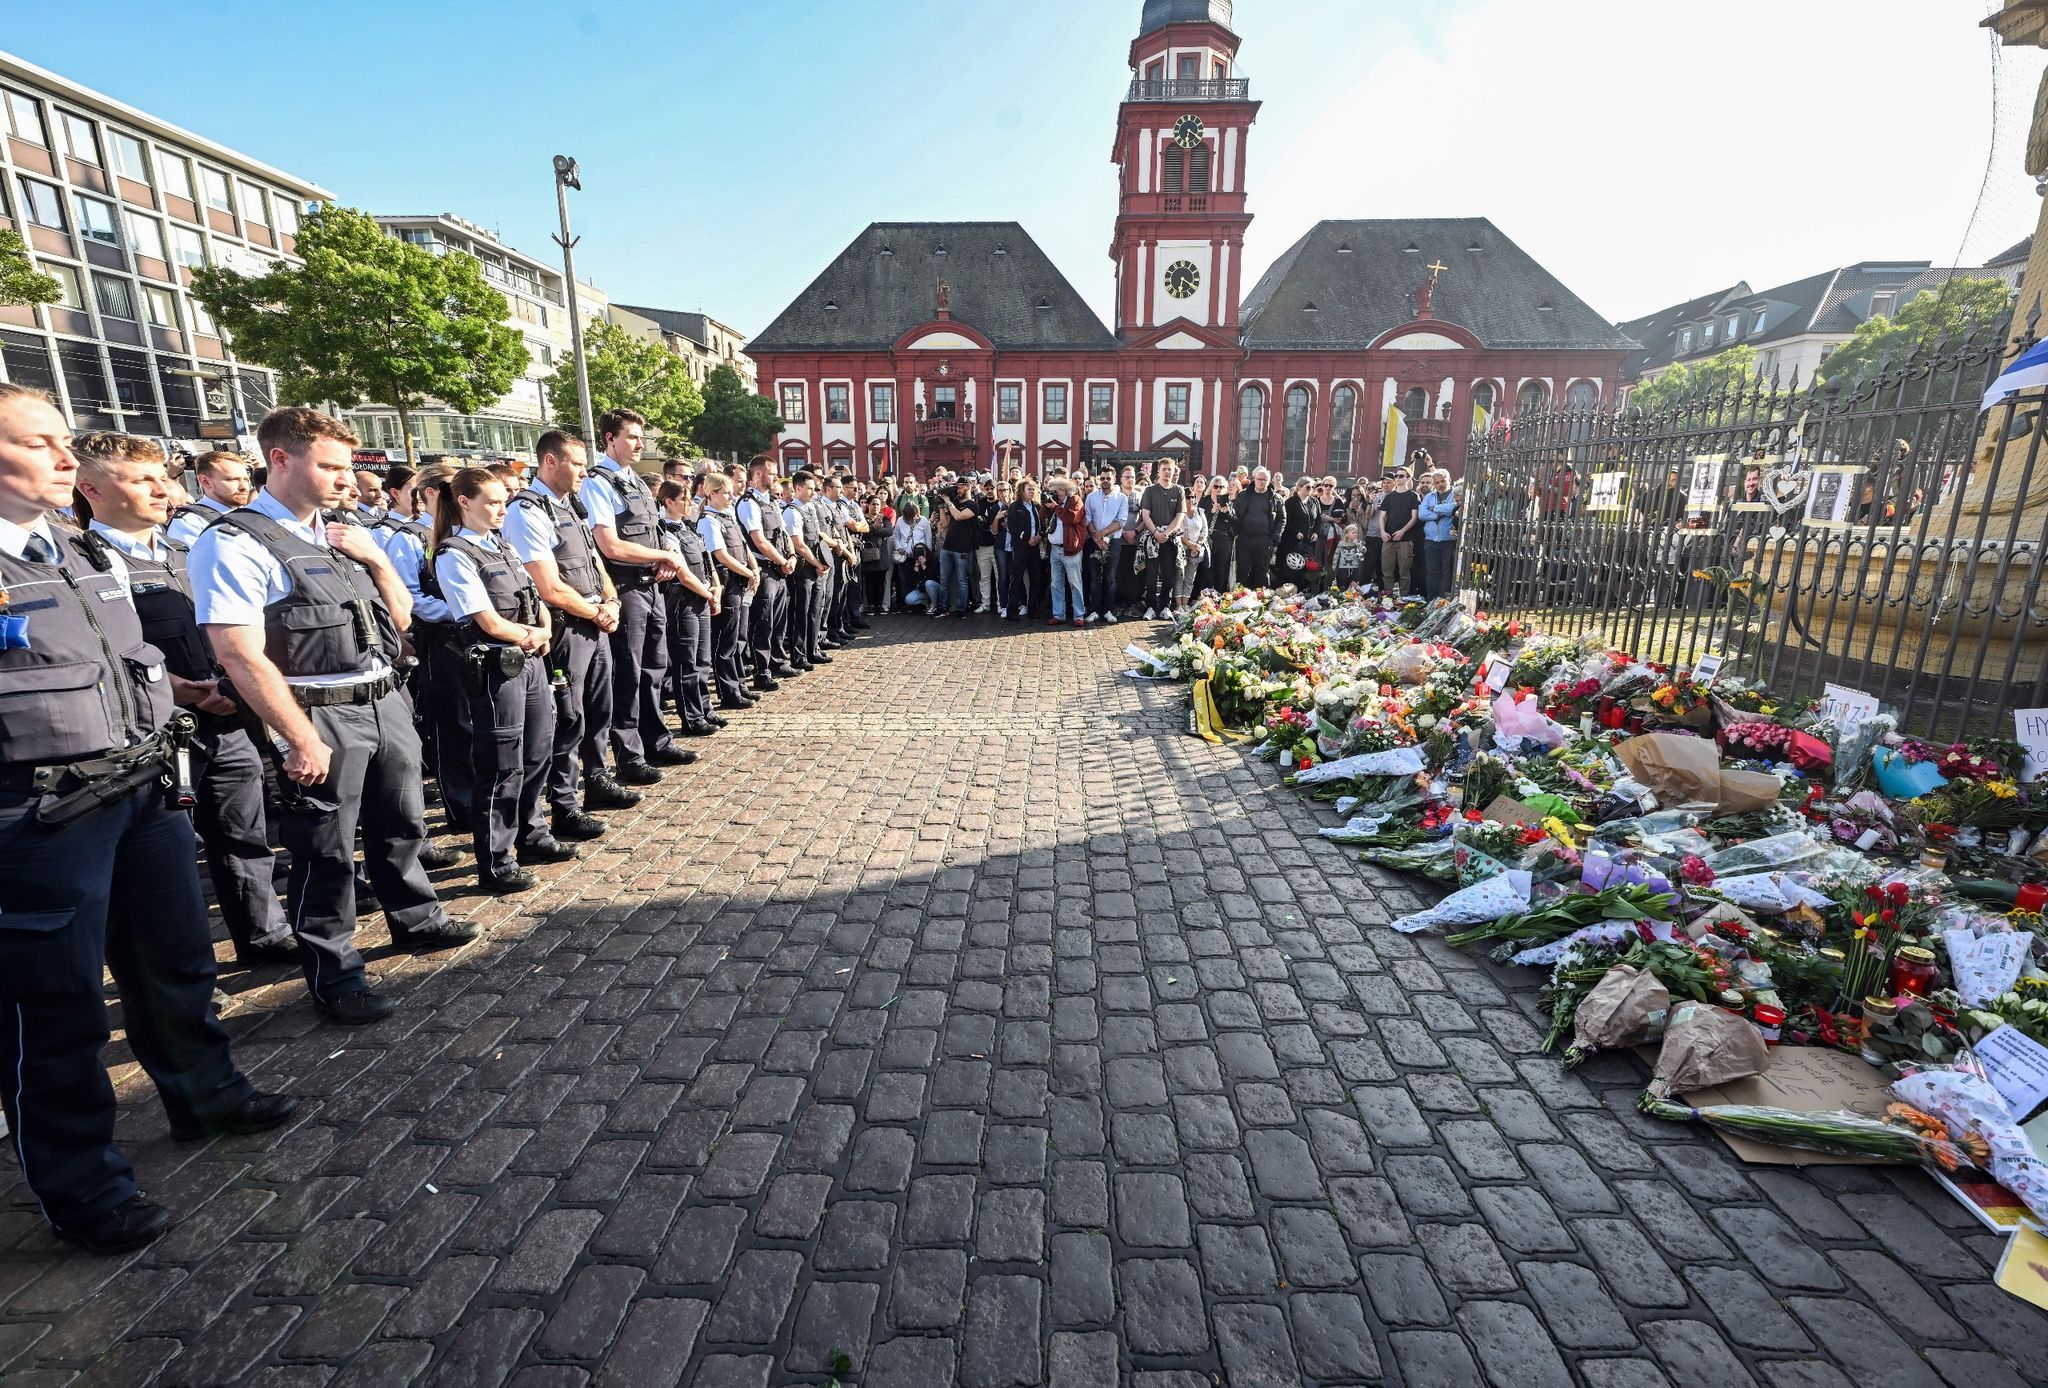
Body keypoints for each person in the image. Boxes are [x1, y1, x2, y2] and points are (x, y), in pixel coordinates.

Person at [0, 385, 295, 1254]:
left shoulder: (78, 550)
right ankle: (81, 1185)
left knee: (174, 961)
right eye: (42, 444)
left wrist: (185, 691)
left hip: (140, 790)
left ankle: (204, 1097)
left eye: (66, 443)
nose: (66, 459)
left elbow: (124, 659)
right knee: (54, 1012)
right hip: (39, 818)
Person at [191, 407, 472, 1028]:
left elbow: (400, 619)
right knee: (325, 850)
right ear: (282, 460)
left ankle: (416, 920)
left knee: (400, 824)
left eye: (349, 466)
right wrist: (296, 735)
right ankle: (336, 973)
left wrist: (374, 560)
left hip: (383, 699)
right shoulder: (237, 540)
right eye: (332, 466)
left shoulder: (342, 535)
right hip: (318, 713)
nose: (347, 478)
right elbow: (238, 651)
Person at [71, 433, 294, 967]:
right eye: (141, 479)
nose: (162, 490)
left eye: (162, 478)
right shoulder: (86, 563)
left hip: (223, 717)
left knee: (244, 831)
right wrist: (175, 688)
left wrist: (229, 686)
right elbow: (108, 650)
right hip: (153, 733)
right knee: (162, 862)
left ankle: (262, 934)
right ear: (92, 489)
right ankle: (178, 969)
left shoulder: (186, 551)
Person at [433, 468, 572, 893]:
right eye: (492, 501)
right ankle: (496, 860)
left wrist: (545, 629)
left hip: (530, 661)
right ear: (464, 502)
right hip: (499, 667)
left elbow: (536, 599)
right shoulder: (454, 553)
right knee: (501, 767)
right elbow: (487, 621)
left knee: (537, 752)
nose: (500, 509)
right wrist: (531, 636)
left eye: (503, 501)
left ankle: (532, 835)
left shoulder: (502, 547)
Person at [502, 430, 637, 841]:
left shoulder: (570, 506)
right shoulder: (527, 511)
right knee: (568, 717)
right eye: (577, 464)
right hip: (566, 627)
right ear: (550, 462)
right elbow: (547, 585)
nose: (583, 471)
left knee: (599, 708)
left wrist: (611, 602)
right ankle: (564, 804)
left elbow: (595, 562)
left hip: (594, 621)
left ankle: (596, 782)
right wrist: (598, 611)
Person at [580, 408, 682, 787]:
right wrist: (663, 557)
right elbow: (609, 544)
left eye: (641, 437)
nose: (640, 444)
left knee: (655, 667)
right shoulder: (599, 483)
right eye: (633, 437)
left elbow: (658, 530)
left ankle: (656, 740)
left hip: (651, 585)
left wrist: (666, 554)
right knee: (629, 673)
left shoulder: (636, 482)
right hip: (626, 587)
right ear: (610, 438)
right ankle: (629, 755)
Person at [658, 477, 723, 734]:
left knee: (703, 660)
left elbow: (706, 561)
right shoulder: (666, 531)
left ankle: (706, 710)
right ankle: (692, 718)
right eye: (683, 499)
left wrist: (715, 587)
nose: (689, 503)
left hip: (703, 596)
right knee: (687, 663)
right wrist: (707, 593)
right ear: (668, 502)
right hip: (684, 602)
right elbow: (682, 573)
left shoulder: (689, 527)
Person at [699, 472, 757, 709]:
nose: (731, 496)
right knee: (726, 640)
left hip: (741, 580)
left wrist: (754, 568)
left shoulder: (727, 515)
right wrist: (748, 572)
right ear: (711, 493)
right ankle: (728, 691)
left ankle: (739, 684)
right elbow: (720, 555)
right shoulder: (708, 520)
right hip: (728, 581)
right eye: (726, 492)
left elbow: (743, 547)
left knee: (738, 637)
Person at [738, 459, 796, 691]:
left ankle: (778, 661)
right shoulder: (748, 503)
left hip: (779, 568)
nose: (776, 477)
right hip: (765, 569)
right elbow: (758, 540)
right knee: (763, 622)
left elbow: (783, 532)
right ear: (758, 473)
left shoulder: (772, 501)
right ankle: (761, 672)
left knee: (779, 620)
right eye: (772, 473)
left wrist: (791, 556)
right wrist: (782, 560)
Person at [784, 471, 832, 665]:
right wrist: (817, 563)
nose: (814, 492)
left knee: (815, 611)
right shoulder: (792, 511)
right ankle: (799, 654)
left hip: (815, 567)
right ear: (798, 488)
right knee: (801, 613)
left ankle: (813, 649)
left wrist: (823, 561)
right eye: (810, 489)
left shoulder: (810, 508)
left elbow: (817, 535)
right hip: (803, 569)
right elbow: (798, 544)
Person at [167, 450, 255, 544]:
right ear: (205, 481)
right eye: (232, 480)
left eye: (246, 480)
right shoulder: (189, 522)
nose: (244, 487)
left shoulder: (254, 514)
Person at [1137, 459, 1188, 620]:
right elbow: (1145, 514)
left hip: (1170, 539)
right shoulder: (1150, 490)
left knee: (1169, 574)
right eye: (1164, 469)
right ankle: (1151, 607)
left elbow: (1180, 515)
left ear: (1174, 472)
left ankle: (1165, 606)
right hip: (1152, 538)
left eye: (1170, 469)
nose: (1167, 472)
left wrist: (1166, 533)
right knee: (1151, 574)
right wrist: (1155, 533)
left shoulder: (1179, 490)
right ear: (1158, 471)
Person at [1084, 468, 1127, 623]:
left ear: (1114, 479)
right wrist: (1096, 537)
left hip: (1113, 541)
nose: (1105, 481)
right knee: (1094, 578)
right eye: (1102, 478)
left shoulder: (1121, 497)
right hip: (1094, 541)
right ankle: (1095, 610)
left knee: (1110, 577)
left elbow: (1121, 520)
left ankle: (1108, 610)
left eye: (1108, 478)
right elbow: (1087, 518)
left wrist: (1103, 534)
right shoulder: (1091, 497)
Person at [1045, 478, 1088, 626]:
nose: (1055, 493)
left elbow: (1072, 518)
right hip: (1055, 549)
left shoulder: (1075, 500)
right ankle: (1058, 614)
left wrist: (1056, 507)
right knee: (1056, 584)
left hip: (1070, 549)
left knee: (1075, 583)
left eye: (1057, 490)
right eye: (1053, 491)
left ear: (1065, 489)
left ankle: (1079, 615)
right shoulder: (1054, 503)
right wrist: (1047, 506)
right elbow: (1043, 518)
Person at [1231, 466, 1281, 587]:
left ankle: (1261, 597)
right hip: (1244, 538)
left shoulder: (1275, 498)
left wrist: (1275, 536)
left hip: (1264, 539)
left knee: (1261, 570)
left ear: (1269, 482)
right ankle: (1240, 597)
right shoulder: (1243, 495)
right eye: (1259, 479)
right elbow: (1234, 514)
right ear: (1254, 479)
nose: (1261, 482)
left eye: (1264, 480)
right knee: (1243, 570)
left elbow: (1282, 519)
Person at [1000, 477, 1041, 621]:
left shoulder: (1036, 506)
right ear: (1022, 491)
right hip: (1021, 547)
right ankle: (1012, 611)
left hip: (1035, 547)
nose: (1032, 491)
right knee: (1016, 579)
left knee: (1036, 578)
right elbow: (1012, 526)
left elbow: (1042, 524)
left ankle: (1033, 609)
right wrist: (1026, 538)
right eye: (1029, 489)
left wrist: (1039, 536)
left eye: (1033, 489)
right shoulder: (1015, 506)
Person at [1377, 464, 1420, 595]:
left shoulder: (1413, 496)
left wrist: (1402, 531)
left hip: (1406, 540)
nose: (1398, 478)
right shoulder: (1389, 496)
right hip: (1388, 539)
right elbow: (1382, 517)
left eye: (1401, 476)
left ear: (1408, 478)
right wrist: (1383, 532)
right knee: (1387, 570)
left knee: (1404, 571)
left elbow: (1414, 518)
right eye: (1396, 476)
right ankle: (1388, 598)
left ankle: (1404, 598)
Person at [1418, 467, 1459, 599]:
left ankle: (1446, 600)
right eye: (1437, 482)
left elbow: (1454, 507)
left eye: (1443, 481)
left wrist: (1434, 508)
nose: (1440, 484)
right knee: (1432, 572)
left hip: (1448, 540)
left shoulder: (1456, 493)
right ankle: (1431, 600)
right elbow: (1422, 514)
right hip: (1431, 540)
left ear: (1449, 480)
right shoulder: (1430, 496)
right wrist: (1440, 514)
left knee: (1447, 572)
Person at [937, 481, 977, 617]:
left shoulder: (973, 505)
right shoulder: (953, 503)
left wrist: (948, 502)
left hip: (962, 549)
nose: (957, 490)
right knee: (944, 580)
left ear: (968, 487)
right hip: (947, 547)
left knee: (962, 580)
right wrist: (941, 506)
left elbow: (959, 516)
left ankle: (961, 609)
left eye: (960, 487)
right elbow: (944, 524)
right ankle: (943, 607)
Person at [893, 499, 931, 611]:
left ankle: (921, 602)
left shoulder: (924, 521)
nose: (913, 519)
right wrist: (899, 547)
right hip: (906, 556)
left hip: (920, 556)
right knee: (906, 580)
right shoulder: (900, 521)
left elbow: (928, 538)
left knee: (920, 579)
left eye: (914, 516)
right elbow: (896, 536)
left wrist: (927, 554)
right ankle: (910, 603)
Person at [1175, 497, 1209, 611]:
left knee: (1190, 577)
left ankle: (1185, 604)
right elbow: (1178, 532)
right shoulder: (1180, 512)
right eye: (1188, 497)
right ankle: (1178, 605)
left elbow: (1205, 530)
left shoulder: (1200, 511)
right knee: (1180, 576)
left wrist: (1198, 545)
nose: (1191, 499)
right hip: (1182, 549)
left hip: (1196, 550)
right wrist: (1190, 545)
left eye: (1193, 497)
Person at [1331, 523, 1368, 589]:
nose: (1355, 534)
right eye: (1353, 533)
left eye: (1356, 533)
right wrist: (1334, 565)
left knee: (1353, 585)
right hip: (1343, 567)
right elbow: (1336, 554)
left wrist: (1357, 544)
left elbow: (1364, 550)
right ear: (1347, 534)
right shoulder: (1341, 543)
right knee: (1342, 584)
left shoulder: (1358, 542)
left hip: (1354, 567)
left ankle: (1352, 597)